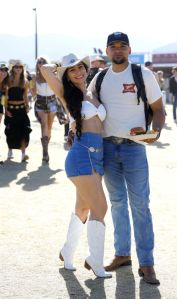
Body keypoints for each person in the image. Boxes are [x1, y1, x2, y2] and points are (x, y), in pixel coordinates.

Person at [88, 32, 165, 285]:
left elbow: (158, 109)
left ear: (129, 50)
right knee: (118, 203)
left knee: (140, 205)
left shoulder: (143, 75)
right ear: (106, 51)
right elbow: (88, 109)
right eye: (113, 47)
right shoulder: (99, 79)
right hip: (108, 148)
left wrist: (154, 133)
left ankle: (147, 263)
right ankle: (122, 254)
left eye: (122, 46)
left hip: (134, 149)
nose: (118, 50)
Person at [40, 53, 112, 278]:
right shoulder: (65, 93)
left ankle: (67, 251)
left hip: (98, 155)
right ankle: (95, 260)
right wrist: (63, 66)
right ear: (67, 75)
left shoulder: (93, 92)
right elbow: (44, 68)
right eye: (73, 70)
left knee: (83, 209)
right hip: (82, 155)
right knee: (100, 208)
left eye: (81, 67)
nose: (79, 72)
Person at [4, 60, 31, 162]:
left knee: (24, 131)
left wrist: (27, 106)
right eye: (16, 67)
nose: (18, 69)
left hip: (21, 109)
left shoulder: (25, 81)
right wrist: (6, 109)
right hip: (11, 109)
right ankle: (10, 150)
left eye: (20, 67)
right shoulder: (8, 80)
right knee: (10, 131)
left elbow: (25, 96)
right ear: (13, 69)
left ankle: (23, 154)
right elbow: (6, 97)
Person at [32, 56, 58, 163]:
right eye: (39, 62)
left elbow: (58, 88)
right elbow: (33, 93)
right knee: (44, 124)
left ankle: (46, 147)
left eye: (43, 62)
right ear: (37, 64)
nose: (41, 63)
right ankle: (45, 153)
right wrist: (33, 85)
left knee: (50, 126)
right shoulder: (35, 77)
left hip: (52, 100)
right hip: (41, 101)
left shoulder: (53, 75)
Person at [0, 63, 9, 164]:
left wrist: (5, 110)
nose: (3, 72)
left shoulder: (5, 84)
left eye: (5, 70)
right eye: (1, 70)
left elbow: (4, 100)